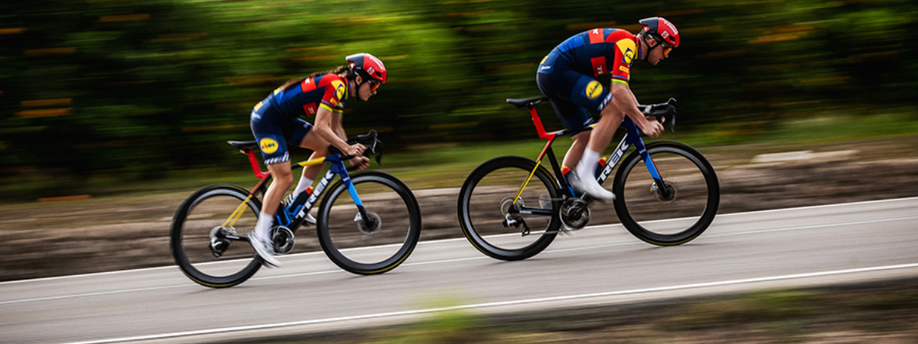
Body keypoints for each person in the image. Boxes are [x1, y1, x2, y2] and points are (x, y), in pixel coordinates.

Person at [248, 53, 387, 267]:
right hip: (267, 121)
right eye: (374, 86)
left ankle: (297, 201)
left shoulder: (342, 91)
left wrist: (351, 158)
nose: (374, 92)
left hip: (283, 120)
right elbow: (320, 126)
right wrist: (347, 148)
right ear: (359, 79)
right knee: (283, 178)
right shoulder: (337, 85)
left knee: (326, 148)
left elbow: (336, 129)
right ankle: (260, 235)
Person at [536, 17, 679, 200]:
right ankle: (586, 176)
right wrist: (643, 123)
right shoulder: (627, 44)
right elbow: (617, 91)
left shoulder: (628, 46)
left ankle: (562, 198)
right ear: (652, 42)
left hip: (551, 73)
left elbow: (624, 90)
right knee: (614, 111)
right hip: (559, 71)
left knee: (584, 136)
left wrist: (645, 114)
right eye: (666, 49)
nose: (666, 55)